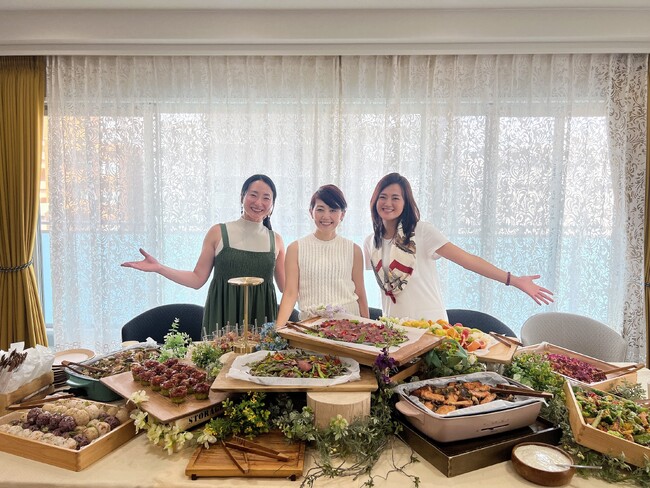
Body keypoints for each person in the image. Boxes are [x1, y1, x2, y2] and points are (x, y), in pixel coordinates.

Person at [364, 173, 553, 322]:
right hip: (394, 327)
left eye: (395, 198)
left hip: (429, 327)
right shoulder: (371, 242)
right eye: (383, 197)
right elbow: (352, 276)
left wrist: (514, 280)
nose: (388, 203)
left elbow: (467, 260)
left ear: (405, 203)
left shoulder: (421, 232)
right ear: (375, 201)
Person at [121, 174, 286, 334]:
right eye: (253, 195)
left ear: (272, 204)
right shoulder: (218, 232)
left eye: (266, 198)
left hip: (262, 321)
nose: (258, 202)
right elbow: (197, 279)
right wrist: (159, 268)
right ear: (242, 196)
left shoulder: (276, 240)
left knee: (261, 354)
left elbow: (286, 287)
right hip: (222, 318)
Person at [275, 184, 369, 327]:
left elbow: (360, 293)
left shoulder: (354, 250)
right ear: (311, 211)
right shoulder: (295, 248)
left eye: (333, 210)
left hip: (349, 326)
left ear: (342, 214)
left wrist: (368, 327)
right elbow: (290, 293)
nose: (326, 216)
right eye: (320, 209)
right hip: (310, 327)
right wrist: (278, 329)